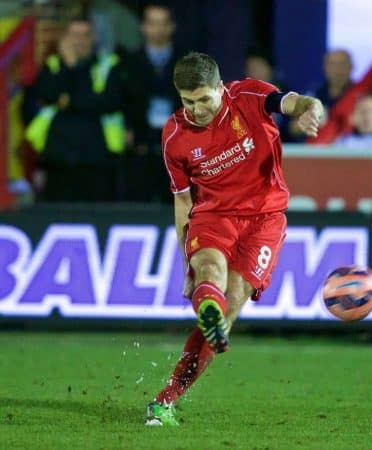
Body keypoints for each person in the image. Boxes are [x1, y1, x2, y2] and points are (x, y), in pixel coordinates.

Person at [145, 52, 323, 426]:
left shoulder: (250, 97)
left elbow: (292, 102)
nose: (197, 109)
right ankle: (164, 403)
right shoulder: (174, 136)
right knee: (209, 268)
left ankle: (169, 394)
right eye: (188, 101)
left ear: (221, 89)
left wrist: (311, 108)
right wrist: (186, 266)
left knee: (231, 300)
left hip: (264, 219)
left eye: (204, 99)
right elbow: (182, 201)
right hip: (213, 215)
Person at [25, 16, 126, 202]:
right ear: (65, 38)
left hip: (97, 159)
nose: (79, 41)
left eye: (85, 35)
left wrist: (68, 100)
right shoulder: (53, 65)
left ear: (94, 38)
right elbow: (48, 94)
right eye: (74, 35)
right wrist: (70, 67)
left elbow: (109, 101)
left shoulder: (109, 64)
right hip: (59, 157)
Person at [124, 1, 183, 202]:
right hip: (140, 147)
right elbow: (122, 100)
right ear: (143, 26)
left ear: (172, 27)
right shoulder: (128, 62)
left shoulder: (187, 61)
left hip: (177, 149)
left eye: (163, 23)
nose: (157, 29)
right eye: (152, 23)